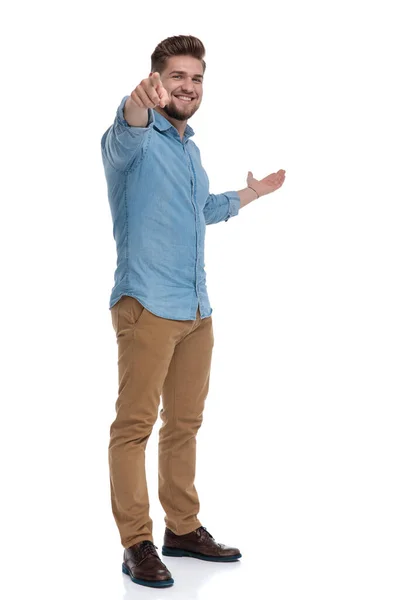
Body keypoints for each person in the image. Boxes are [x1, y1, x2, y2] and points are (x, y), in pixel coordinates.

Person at [100, 34, 286, 588]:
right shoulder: (131, 140)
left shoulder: (188, 148)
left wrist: (251, 195)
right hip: (147, 306)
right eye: (176, 76)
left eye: (196, 78)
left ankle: (182, 529)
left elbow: (198, 208)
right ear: (156, 80)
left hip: (196, 309)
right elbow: (129, 121)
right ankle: (137, 541)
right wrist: (137, 102)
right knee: (133, 427)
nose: (188, 86)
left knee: (184, 424)